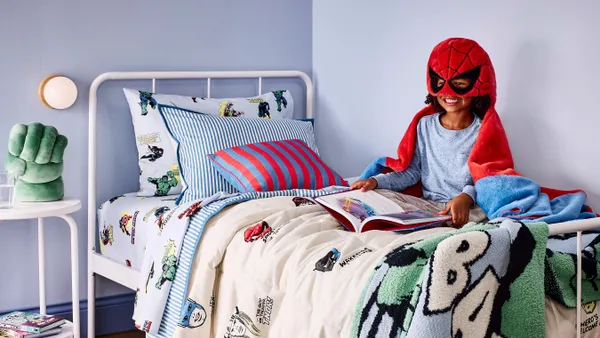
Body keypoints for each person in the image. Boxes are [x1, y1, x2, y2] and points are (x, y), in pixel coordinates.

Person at [351, 39, 493, 227]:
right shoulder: (424, 125)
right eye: (441, 83)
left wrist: (466, 197)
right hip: (428, 206)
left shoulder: (483, 130)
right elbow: (411, 172)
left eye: (459, 84)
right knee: (373, 199)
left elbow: (487, 178)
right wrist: (375, 182)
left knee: (474, 219)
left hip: (467, 208)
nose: (449, 92)